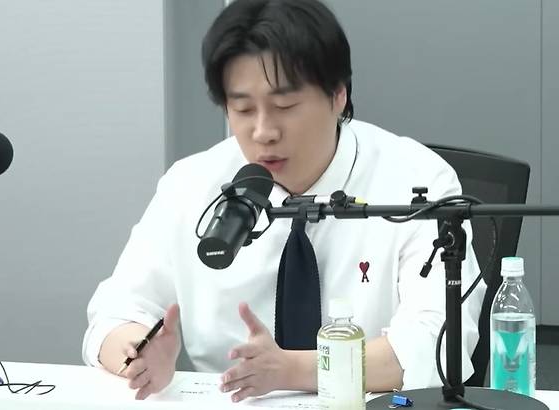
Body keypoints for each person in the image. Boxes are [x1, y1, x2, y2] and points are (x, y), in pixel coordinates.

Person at [82, 0, 485, 403]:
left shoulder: (416, 180)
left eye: (285, 106)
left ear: (338, 94)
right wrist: (137, 353)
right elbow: (116, 312)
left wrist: (290, 369)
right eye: (242, 109)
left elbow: (437, 342)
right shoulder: (191, 184)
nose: (263, 132)